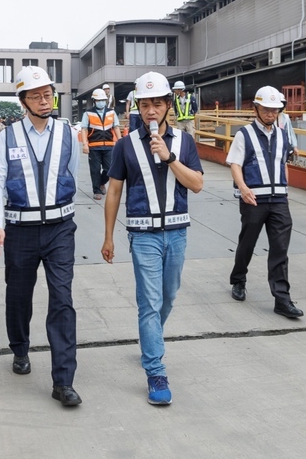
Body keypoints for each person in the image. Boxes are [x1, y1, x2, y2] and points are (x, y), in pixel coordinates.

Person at [101, 71, 203, 406]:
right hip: (143, 234)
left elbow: (197, 184)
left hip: (176, 232)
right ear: (138, 107)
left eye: (157, 103)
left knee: (168, 297)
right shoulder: (125, 145)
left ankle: (149, 342)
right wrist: (108, 236)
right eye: (144, 104)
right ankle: (156, 371)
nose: (150, 111)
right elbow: (114, 191)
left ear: (168, 104)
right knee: (149, 301)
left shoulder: (184, 142)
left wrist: (169, 157)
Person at [0, 66, 82, 407]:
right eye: (36, 96)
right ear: (23, 101)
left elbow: (72, 174)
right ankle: (20, 348)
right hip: (20, 230)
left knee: (62, 299)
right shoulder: (7, 137)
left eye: (48, 95)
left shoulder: (67, 133)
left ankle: (63, 381)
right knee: (18, 296)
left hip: (60, 229)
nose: (44, 101)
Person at [227, 86, 303, 319]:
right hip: (254, 199)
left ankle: (282, 299)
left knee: (280, 249)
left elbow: (283, 163)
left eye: (274, 110)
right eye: (266, 109)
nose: (271, 114)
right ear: (256, 109)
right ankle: (238, 279)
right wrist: (243, 189)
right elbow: (235, 164)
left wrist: (286, 191)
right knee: (247, 243)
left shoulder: (282, 135)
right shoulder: (244, 134)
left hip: (279, 200)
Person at [81, 88, 121, 200]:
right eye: (99, 100)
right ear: (94, 101)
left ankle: (101, 183)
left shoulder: (111, 112)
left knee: (109, 169)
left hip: (109, 145)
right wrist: (85, 144)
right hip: (94, 146)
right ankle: (96, 191)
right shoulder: (88, 113)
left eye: (103, 100)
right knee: (95, 170)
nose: (101, 102)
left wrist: (121, 141)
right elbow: (84, 129)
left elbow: (116, 127)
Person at [276, 91, 299, 159]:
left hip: (284, 145)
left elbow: (290, 132)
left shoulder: (285, 117)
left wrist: (294, 146)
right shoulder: (269, 118)